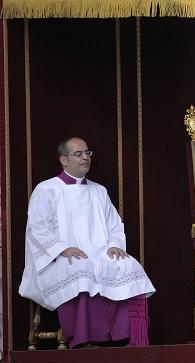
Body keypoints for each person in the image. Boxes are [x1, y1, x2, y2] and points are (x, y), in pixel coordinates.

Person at [19, 137, 156, 348]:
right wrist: (62, 248)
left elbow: (114, 224)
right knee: (82, 268)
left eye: (87, 153)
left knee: (128, 264)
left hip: (99, 252)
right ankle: (83, 339)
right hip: (60, 257)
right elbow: (37, 229)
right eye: (78, 154)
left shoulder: (99, 191)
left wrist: (115, 245)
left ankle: (126, 337)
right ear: (64, 160)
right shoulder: (46, 190)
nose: (85, 157)